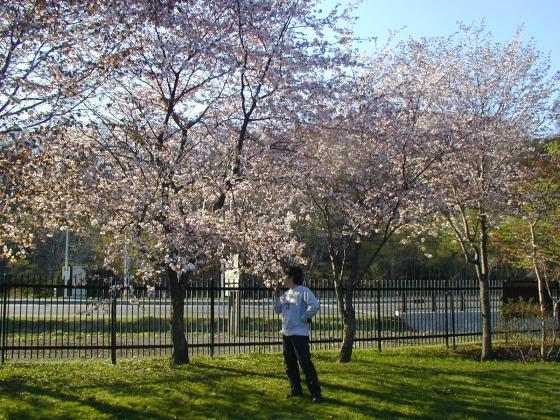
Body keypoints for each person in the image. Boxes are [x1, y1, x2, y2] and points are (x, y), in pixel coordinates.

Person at [273, 266, 322, 403]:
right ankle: (296, 389)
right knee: (290, 363)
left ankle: (316, 393)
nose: (282, 278)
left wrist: (303, 318)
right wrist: (276, 296)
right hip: (287, 333)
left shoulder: (303, 291)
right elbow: (277, 310)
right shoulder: (286, 294)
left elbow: (314, 305)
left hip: (299, 333)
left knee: (304, 362)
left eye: (285, 275)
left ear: (292, 277)